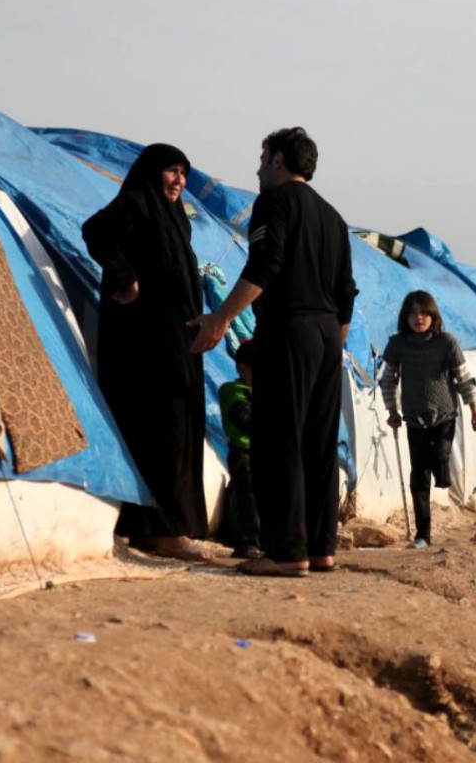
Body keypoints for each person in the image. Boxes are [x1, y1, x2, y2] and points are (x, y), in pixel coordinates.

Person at [189, 127, 355, 577]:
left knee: (279, 438)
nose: (258, 168)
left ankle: (286, 552)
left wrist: (221, 317)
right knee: (318, 445)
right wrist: (331, 344)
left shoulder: (275, 203)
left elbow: (265, 265)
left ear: (279, 160)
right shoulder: (334, 218)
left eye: (263, 158)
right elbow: (346, 292)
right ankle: (321, 549)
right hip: (327, 336)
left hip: (289, 328)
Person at [82, 143, 209, 561]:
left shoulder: (174, 218)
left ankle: (158, 528)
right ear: (152, 173)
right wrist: (125, 280)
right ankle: (164, 531)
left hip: (177, 339)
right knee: (163, 429)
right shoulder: (136, 203)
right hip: (147, 343)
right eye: (172, 171)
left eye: (184, 174)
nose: (179, 181)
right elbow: (96, 232)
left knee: (176, 427)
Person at [380, 290, 476, 548]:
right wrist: (392, 412)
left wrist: (475, 412)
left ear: (433, 315)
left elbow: (463, 378)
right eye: (413, 313)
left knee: (440, 455)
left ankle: (443, 474)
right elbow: (387, 381)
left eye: (424, 312)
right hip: (414, 418)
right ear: (405, 317)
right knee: (419, 475)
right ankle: (422, 535)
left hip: (445, 415)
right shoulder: (397, 345)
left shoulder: (447, 343)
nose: (419, 318)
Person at [217, 339, 262, 559]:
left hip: (262, 453)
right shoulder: (232, 391)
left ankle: (263, 541)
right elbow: (242, 419)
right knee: (248, 498)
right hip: (242, 454)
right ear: (243, 369)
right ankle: (247, 543)